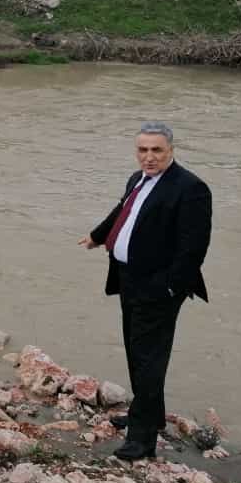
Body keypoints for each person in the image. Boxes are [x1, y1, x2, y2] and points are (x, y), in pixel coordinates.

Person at [78, 121, 212, 461]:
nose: (148, 157)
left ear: (171, 150)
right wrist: (97, 235)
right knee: (137, 351)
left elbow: (193, 248)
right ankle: (148, 414)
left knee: (149, 358)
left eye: (156, 150)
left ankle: (142, 440)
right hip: (128, 279)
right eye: (143, 150)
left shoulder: (191, 188)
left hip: (159, 287)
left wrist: (168, 287)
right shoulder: (137, 179)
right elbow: (123, 210)